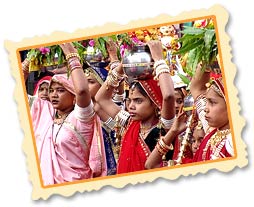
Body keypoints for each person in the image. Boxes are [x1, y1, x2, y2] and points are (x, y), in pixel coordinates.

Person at [30, 42, 106, 185]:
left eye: (60, 90)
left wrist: (71, 54)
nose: (53, 95)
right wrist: (31, 57)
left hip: (76, 185)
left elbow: (83, 91)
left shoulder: (80, 118)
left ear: (73, 96)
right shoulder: (46, 114)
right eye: (51, 90)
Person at [95, 40, 175, 174]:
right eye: (130, 100)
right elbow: (101, 98)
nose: (131, 106)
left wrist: (159, 60)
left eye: (138, 101)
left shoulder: (165, 128)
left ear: (155, 103)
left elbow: (168, 96)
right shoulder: (129, 123)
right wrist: (123, 65)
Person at [190, 64, 234, 161]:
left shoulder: (233, 142)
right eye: (206, 102)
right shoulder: (211, 130)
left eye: (212, 102)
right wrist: (206, 58)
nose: (205, 108)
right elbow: (197, 88)